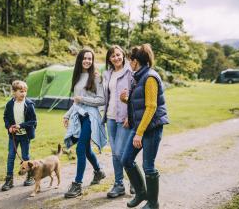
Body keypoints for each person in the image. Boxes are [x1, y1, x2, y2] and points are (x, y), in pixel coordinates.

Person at [120, 44, 169, 208]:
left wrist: (139, 133)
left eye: (129, 61)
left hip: (152, 128)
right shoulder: (139, 76)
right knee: (126, 160)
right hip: (140, 126)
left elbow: (151, 107)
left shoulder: (149, 78)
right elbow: (140, 104)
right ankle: (141, 193)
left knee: (148, 166)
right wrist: (126, 100)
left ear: (134, 62)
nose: (128, 64)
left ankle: (153, 203)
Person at [63, 48, 107, 198]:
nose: (88, 61)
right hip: (79, 116)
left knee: (80, 149)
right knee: (87, 150)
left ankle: (77, 185)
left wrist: (83, 99)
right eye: (85, 58)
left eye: (90, 58)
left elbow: (101, 100)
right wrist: (67, 115)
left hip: (91, 117)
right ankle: (99, 172)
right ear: (80, 59)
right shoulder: (76, 77)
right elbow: (76, 102)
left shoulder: (96, 77)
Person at [102, 45, 134, 198]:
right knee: (115, 153)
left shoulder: (130, 72)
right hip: (110, 118)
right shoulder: (107, 74)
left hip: (124, 118)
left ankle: (134, 181)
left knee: (122, 152)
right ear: (109, 59)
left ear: (123, 55)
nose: (116, 58)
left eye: (118, 55)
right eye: (112, 56)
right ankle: (119, 184)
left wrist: (130, 115)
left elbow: (134, 96)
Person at [2, 80, 37, 191]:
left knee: (26, 157)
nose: (23, 94)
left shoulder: (29, 105)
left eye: (25, 91)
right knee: (11, 156)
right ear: (14, 92)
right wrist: (9, 127)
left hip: (25, 136)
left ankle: (30, 176)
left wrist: (20, 125)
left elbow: (33, 121)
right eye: (21, 91)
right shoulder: (10, 104)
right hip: (13, 137)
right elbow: (6, 117)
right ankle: (9, 179)